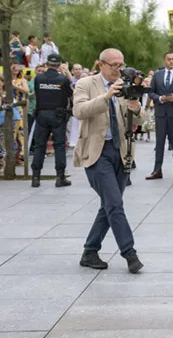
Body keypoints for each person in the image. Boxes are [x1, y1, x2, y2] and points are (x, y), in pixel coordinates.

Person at [73, 48, 147, 273]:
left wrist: (136, 107)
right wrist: (106, 97)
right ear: (101, 65)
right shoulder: (86, 84)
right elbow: (79, 110)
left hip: (122, 152)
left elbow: (141, 119)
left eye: (121, 64)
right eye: (114, 65)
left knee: (109, 206)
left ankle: (90, 250)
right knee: (114, 204)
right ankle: (130, 254)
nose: (119, 69)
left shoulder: (126, 85)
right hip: (97, 152)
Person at [31, 54, 73, 188]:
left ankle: (35, 177)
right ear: (59, 64)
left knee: (39, 145)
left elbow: (37, 94)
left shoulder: (38, 78)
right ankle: (60, 177)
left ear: (47, 64)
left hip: (42, 114)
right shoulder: (63, 79)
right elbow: (69, 94)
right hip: (58, 115)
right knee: (59, 146)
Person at [147, 51, 173, 181]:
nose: (171, 61)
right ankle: (157, 170)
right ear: (164, 60)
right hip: (161, 113)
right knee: (159, 144)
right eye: (169, 59)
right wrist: (159, 98)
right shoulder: (157, 75)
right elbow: (151, 92)